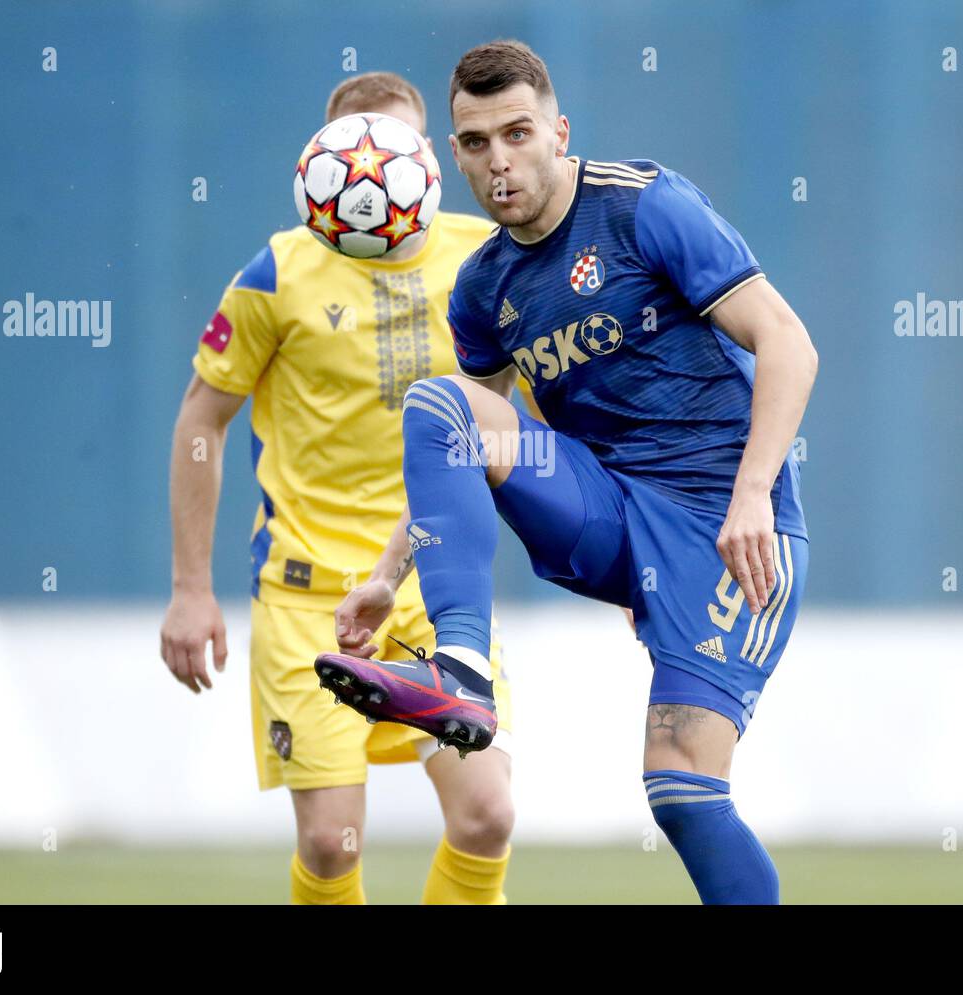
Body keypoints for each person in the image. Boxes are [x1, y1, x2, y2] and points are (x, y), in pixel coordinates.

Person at [319, 42, 818, 905]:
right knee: (440, 403)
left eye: (517, 133)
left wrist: (750, 500)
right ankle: (462, 669)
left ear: (559, 130)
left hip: (722, 525)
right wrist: (383, 576)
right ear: (454, 154)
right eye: (475, 143)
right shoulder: (483, 287)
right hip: (606, 505)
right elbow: (458, 442)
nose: (499, 161)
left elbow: (789, 342)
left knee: (683, 793)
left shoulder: (644, 207)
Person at [160, 71, 516, 905]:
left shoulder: (484, 257)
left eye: (394, 150)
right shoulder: (276, 275)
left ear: (427, 157)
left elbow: (535, 406)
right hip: (307, 597)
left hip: (435, 588)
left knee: (488, 815)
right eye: (352, 155)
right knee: (329, 845)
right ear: (320, 168)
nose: (372, 175)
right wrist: (189, 588)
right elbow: (200, 422)